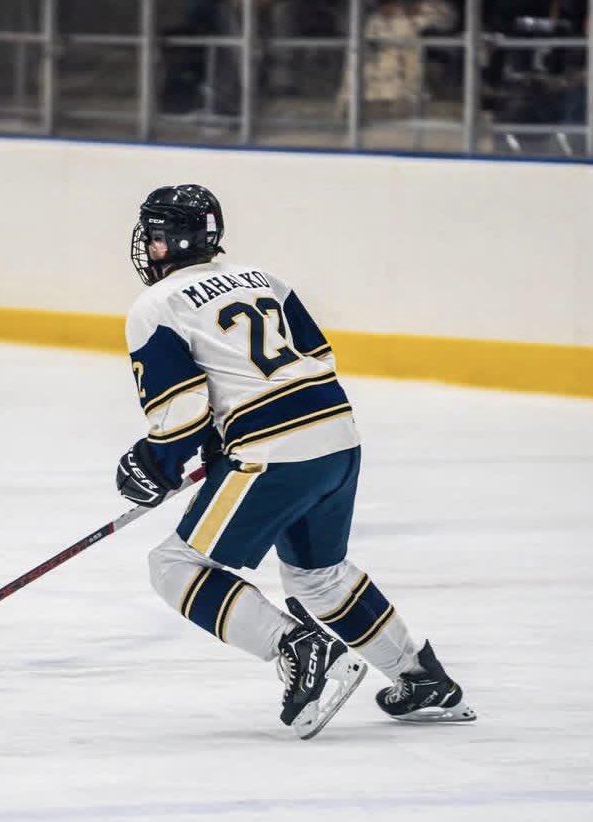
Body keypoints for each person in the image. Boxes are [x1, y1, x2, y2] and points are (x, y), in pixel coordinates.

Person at [116, 184, 475, 737]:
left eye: (157, 237)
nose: (151, 247)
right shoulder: (264, 279)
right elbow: (318, 358)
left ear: (174, 240)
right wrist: (220, 438)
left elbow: (182, 407)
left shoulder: (156, 306)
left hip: (273, 449)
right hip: (338, 435)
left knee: (174, 567)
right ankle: (421, 679)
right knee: (318, 576)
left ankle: (296, 646)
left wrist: (155, 464)